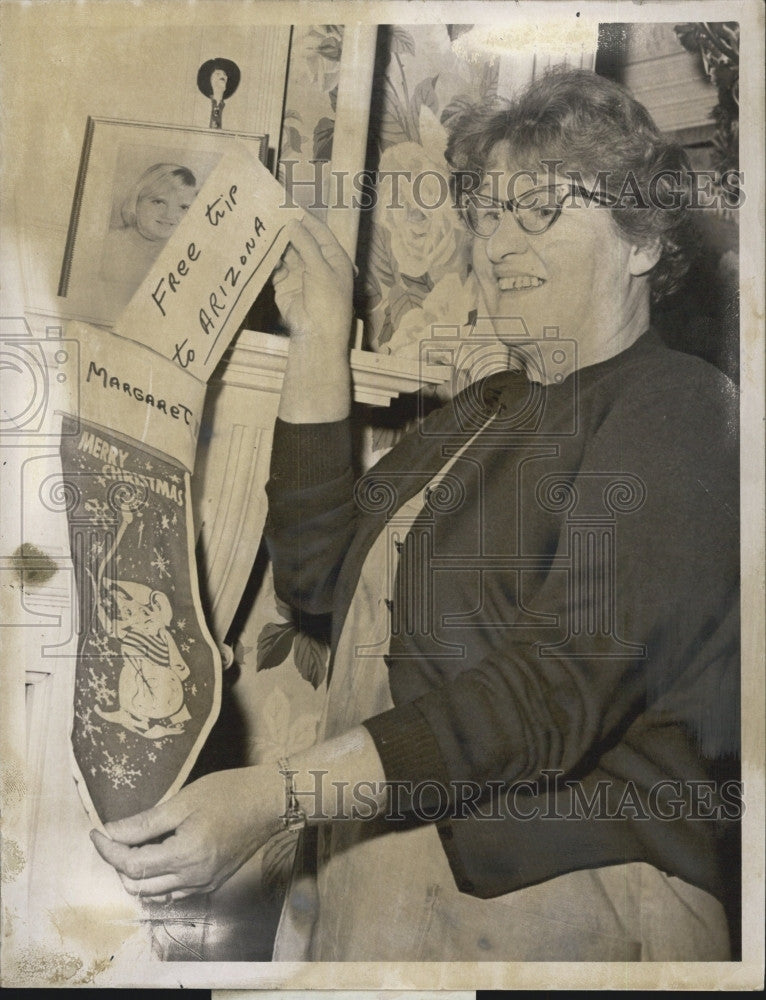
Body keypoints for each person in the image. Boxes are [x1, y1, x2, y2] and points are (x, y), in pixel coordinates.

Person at [91, 69, 740, 962]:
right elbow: (318, 573)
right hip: (379, 884)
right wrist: (320, 336)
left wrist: (278, 795)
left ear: (639, 238)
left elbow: (556, 687)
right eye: (488, 212)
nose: (498, 240)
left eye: (540, 207)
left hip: (567, 904)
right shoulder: (484, 413)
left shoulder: (683, 406)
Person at [101, 162, 198, 297]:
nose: (169, 215)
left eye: (183, 207)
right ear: (136, 202)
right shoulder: (106, 246)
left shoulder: (186, 255)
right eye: (159, 202)